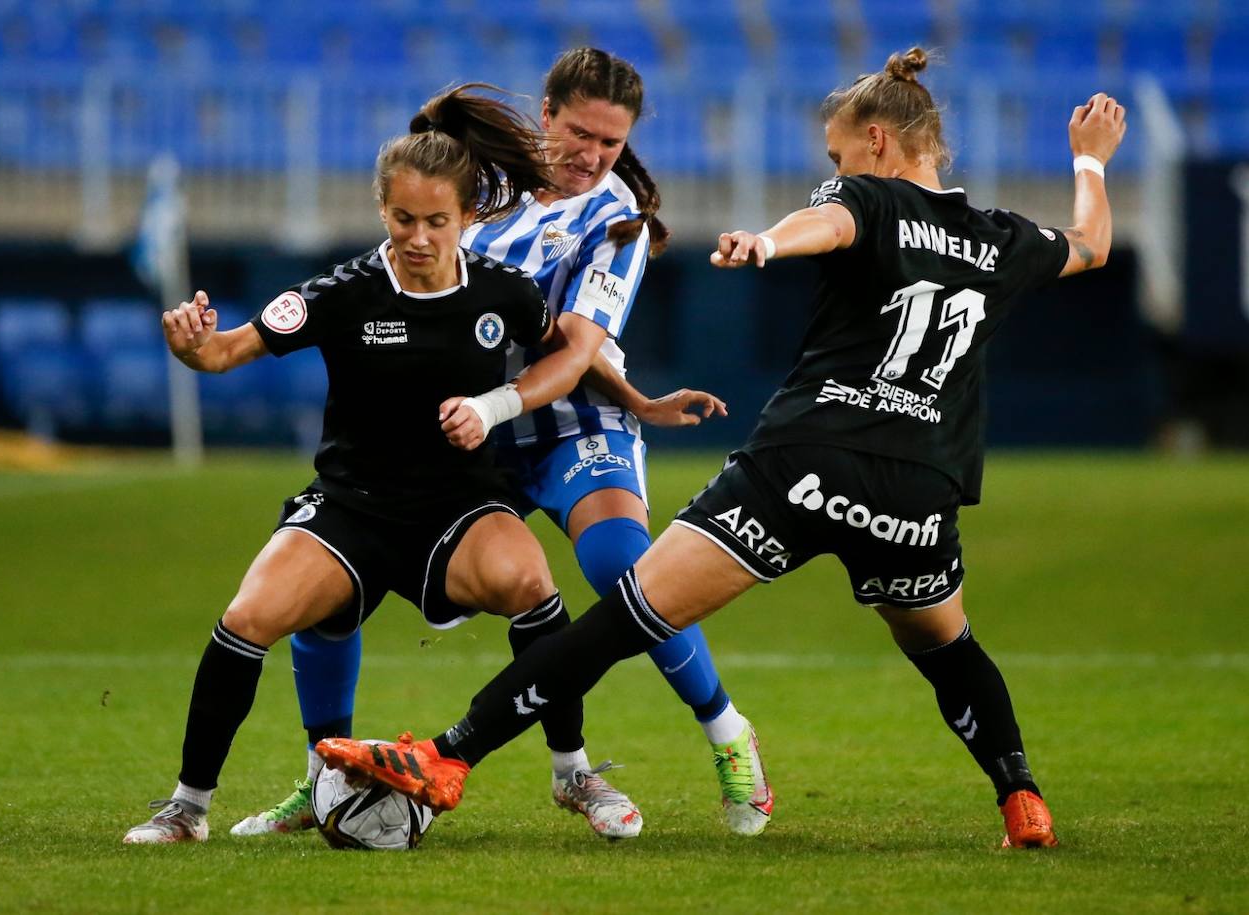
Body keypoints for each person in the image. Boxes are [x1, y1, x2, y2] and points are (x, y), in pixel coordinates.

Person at [316, 49, 1127, 850]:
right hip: (920, 487)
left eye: (837, 155)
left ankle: (447, 757)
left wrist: (769, 243)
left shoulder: (866, 198)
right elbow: (1091, 246)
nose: (835, 169)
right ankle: (1022, 795)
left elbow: (829, 222)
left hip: (808, 462)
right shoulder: (1001, 238)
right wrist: (1089, 161)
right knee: (945, 644)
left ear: (876, 144)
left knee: (624, 615)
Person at [235, 47, 775, 841]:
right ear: (547, 114)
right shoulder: (486, 191)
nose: (593, 156)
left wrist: (605, 403)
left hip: (569, 421)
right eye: (581, 134)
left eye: (612, 143)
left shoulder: (618, 219)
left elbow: (575, 349)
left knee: (620, 562)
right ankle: (324, 776)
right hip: (473, 437)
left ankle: (723, 733)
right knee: (342, 574)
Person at [123, 83, 653, 844]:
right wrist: (191, 344)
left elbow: (568, 358)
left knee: (533, 583)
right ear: (383, 212)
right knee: (246, 619)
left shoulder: (505, 293)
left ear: (468, 216)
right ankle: (187, 806)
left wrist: (604, 399)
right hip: (352, 505)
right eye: (403, 218)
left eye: (437, 220)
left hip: (459, 506)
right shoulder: (342, 293)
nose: (419, 236)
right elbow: (225, 349)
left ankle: (573, 770)